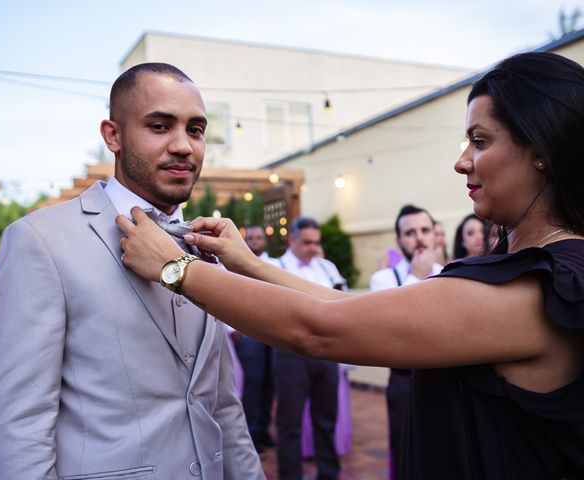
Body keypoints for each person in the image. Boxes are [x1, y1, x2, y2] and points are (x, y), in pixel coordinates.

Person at [117, 52, 584, 479]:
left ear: (541, 148)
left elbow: (323, 329)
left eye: (480, 141)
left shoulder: (547, 286)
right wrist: (245, 263)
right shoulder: (516, 270)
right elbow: (351, 308)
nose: (462, 162)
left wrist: (177, 269)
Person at [0, 63, 263, 479]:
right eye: (159, 126)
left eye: (196, 129)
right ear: (112, 135)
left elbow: (222, 404)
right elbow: (20, 424)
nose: (184, 145)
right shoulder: (39, 241)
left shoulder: (206, 246)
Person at [369, 204, 442, 479]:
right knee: (405, 454)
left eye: (425, 230)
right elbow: (391, 327)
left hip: (446, 379)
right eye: (410, 233)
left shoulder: (452, 273)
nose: (419, 238)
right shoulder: (384, 279)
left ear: (435, 235)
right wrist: (416, 278)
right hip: (404, 383)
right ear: (399, 241)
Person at [271, 216, 345, 480]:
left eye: (316, 242)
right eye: (307, 242)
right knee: (289, 424)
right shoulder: (274, 266)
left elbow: (343, 300)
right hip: (291, 354)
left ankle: (329, 474)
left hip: (327, 352)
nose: (313, 248)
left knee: (326, 420)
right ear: (292, 240)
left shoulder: (327, 267)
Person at [233, 226, 276, 452]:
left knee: (270, 384)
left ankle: (264, 429)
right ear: (245, 241)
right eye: (251, 238)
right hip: (249, 335)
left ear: (265, 241)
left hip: (275, 336)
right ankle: (251, 435)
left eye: (259, 238)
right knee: (254, 384)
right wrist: (232, 330)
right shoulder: (234, 264)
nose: (255, 242)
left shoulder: (276, 266)